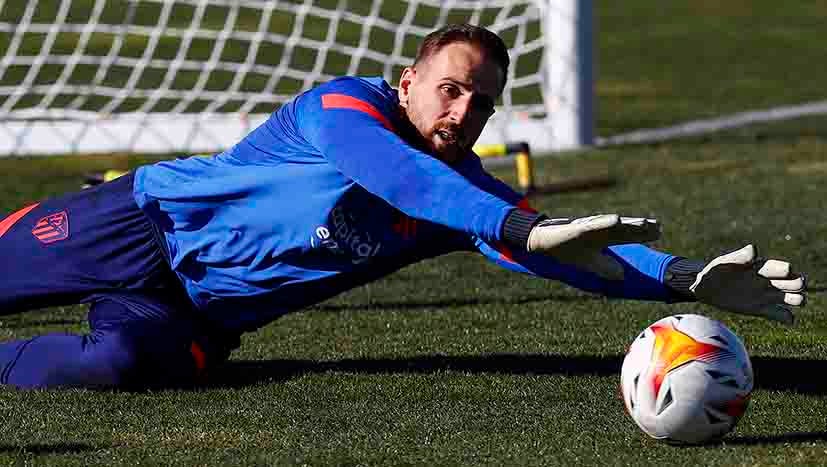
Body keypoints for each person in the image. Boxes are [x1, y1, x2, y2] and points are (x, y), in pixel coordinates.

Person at [0, 24, 806, 390]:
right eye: (449, 89)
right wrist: (520, 221)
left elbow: (569, 253)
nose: (460, 111)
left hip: (194, 314)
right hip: (137, 223)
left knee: (112, 368)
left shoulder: (465, 197)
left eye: (480, 104)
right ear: (409, 81)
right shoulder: (342, 108)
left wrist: (681, 278)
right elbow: (399, 179)